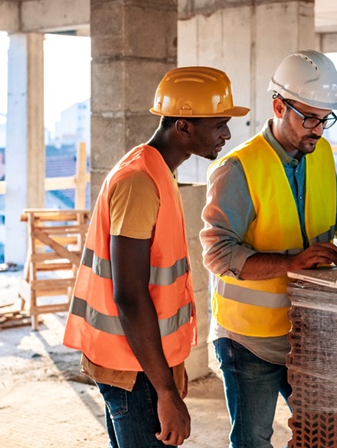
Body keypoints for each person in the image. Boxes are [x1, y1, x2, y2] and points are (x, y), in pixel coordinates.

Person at [63, 66, 249, 447]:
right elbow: (129, 294)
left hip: (143, 360)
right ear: (183, 126)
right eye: (219, 124)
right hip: (133, 370)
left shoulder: (158, 172)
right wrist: (165, 392)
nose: (227, 134)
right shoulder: (139, 183)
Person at [200, 50, 337, 447]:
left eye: (326, 118)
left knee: (323, 434)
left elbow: (333, 211)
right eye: (309, 117)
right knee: (253, 440)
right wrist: (292, 263)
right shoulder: (237, 169)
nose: (319, 130)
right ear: (278, 106)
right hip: (249, 340)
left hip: (309, 331)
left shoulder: (320, 152)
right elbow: (218, 254)